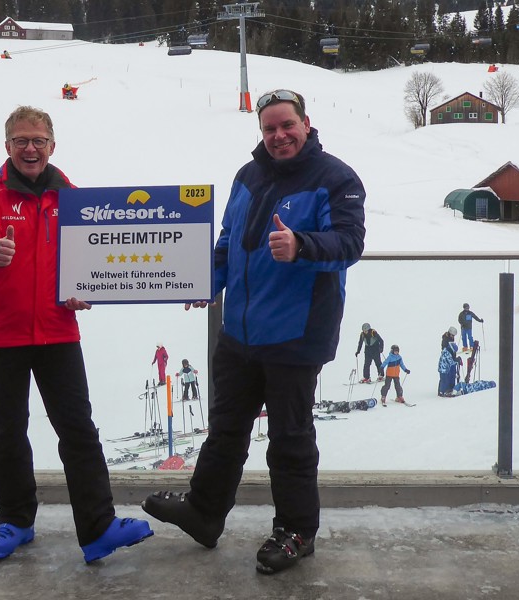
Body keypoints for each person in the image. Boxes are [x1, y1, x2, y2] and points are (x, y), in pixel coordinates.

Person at [142, 88, 366, 575]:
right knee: (224, 432)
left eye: (287, 125)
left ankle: (296, 531)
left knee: (289, 439)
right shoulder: (249, 175)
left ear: (306, 123)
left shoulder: (336, 178)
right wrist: (208, 282)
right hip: (239, 332)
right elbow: (228, 242)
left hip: (295, 334)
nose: (279, 136)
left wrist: (301, 244)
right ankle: (204, 513)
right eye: (269, 128)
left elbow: (349, 242)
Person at [0, 105, 152, 564]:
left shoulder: (71, 197)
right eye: (21, 141)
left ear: (52, 145)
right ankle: (15, 520)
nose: (30, 148)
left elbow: (88, 258)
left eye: (39, 140)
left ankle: (97, 529)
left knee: (78, 430)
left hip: (56, 331)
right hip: (1, 333)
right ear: (7, 146)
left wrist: (81, 290)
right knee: (8, 430)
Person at [438, 327, 461, 397]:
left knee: (449, 376)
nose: (453, 337)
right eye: (452, 335)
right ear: (449, 333)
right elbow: (447, 353)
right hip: (445, 365)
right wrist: (455, 360)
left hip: (449, 360)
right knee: (444, 378)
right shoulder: (445, 340)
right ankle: (442, 391)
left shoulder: (451, 338)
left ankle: (449, 389)